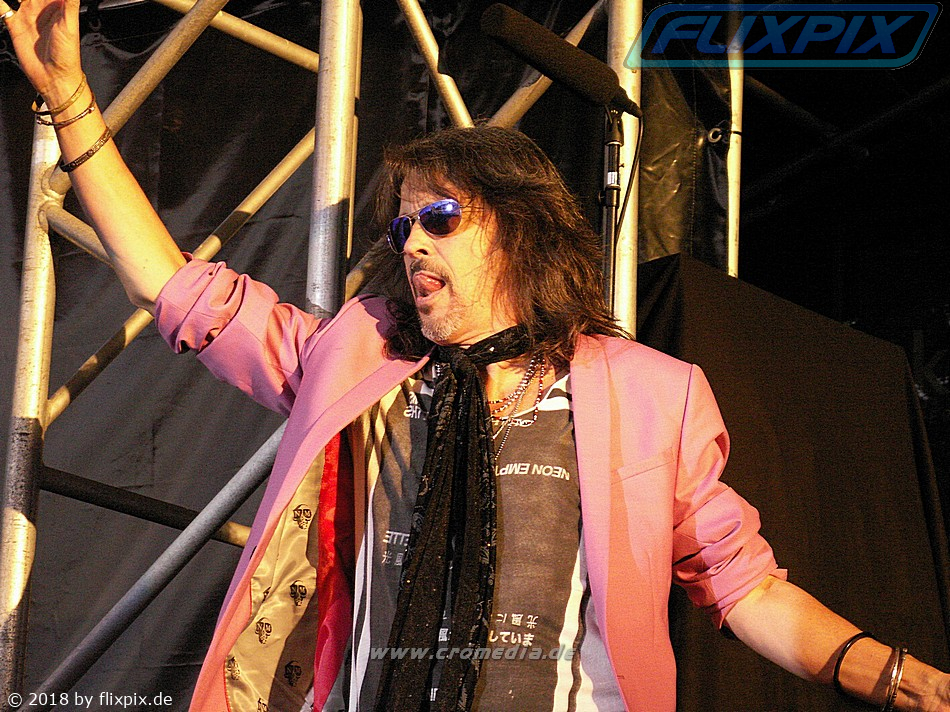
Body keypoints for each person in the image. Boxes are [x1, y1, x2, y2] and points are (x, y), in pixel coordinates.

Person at [3, 1, 950, 710]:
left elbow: (744, 586)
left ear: (521, 228)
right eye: (402, 225)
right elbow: (176, 289)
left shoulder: (650, 394)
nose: (412, 242)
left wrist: (895, 676)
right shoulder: (359, 357)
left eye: (441, 218)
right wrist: (75, 104)